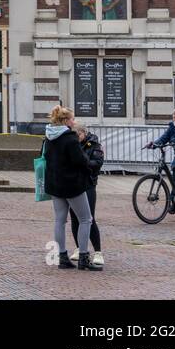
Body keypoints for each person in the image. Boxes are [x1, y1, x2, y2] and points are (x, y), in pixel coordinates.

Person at [44, 106, 101, 271]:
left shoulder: (49, 137)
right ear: (65, 121)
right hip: (72, 184)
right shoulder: (69, 138)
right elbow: (80, 160)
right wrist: (88, 169)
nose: (73, 122)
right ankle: (84, 257)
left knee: (59, 220)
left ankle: (62, 257)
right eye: (71, 119)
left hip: (55, 183)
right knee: (86, 219)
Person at [73, 124, 105, 267]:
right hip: (73, 184)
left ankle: (98, 252)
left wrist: (82, 163)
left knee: (89, 217)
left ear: (84, 133)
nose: (76, 138)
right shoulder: (73, 144)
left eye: (77, 135)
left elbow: (97, 163)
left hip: (88, 184)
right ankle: (79, 248)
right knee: (74, 218)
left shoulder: (95, 145)